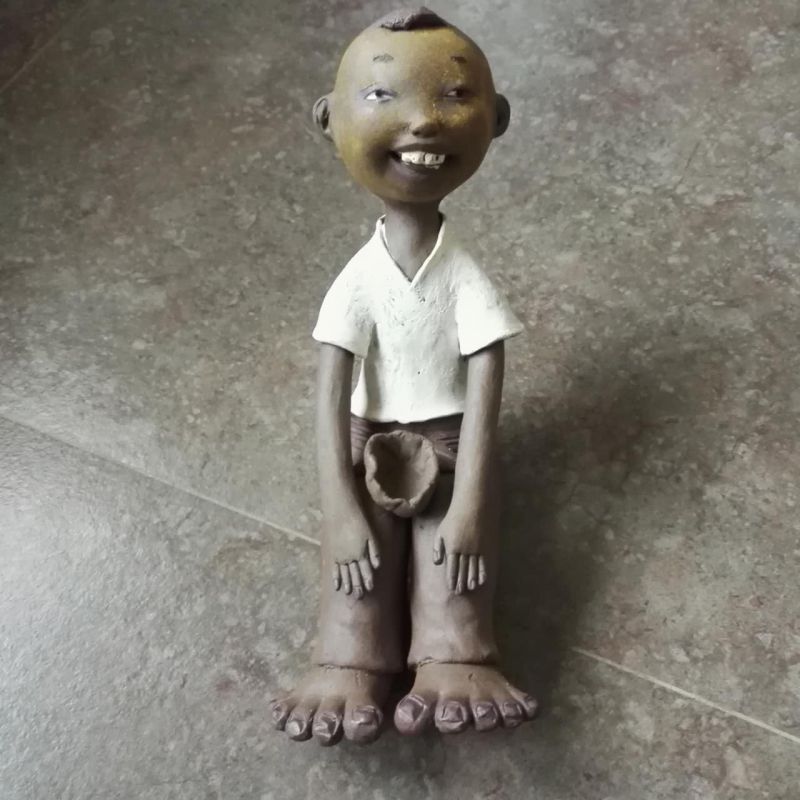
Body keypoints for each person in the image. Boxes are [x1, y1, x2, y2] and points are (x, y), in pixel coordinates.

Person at [270, 7, 538, 745]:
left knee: (455, 554)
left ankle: (458, 655)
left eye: (455, 95)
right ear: (329, 120)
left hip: (449, 440)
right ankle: (348, 658)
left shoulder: (464, 276)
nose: (424, 120)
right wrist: (340, 507)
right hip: (367, 438)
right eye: (382, 96)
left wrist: (472, 499)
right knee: (355, 563)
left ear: (496, 118)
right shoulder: (357, 281)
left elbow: (486, 380)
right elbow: (330, 397)